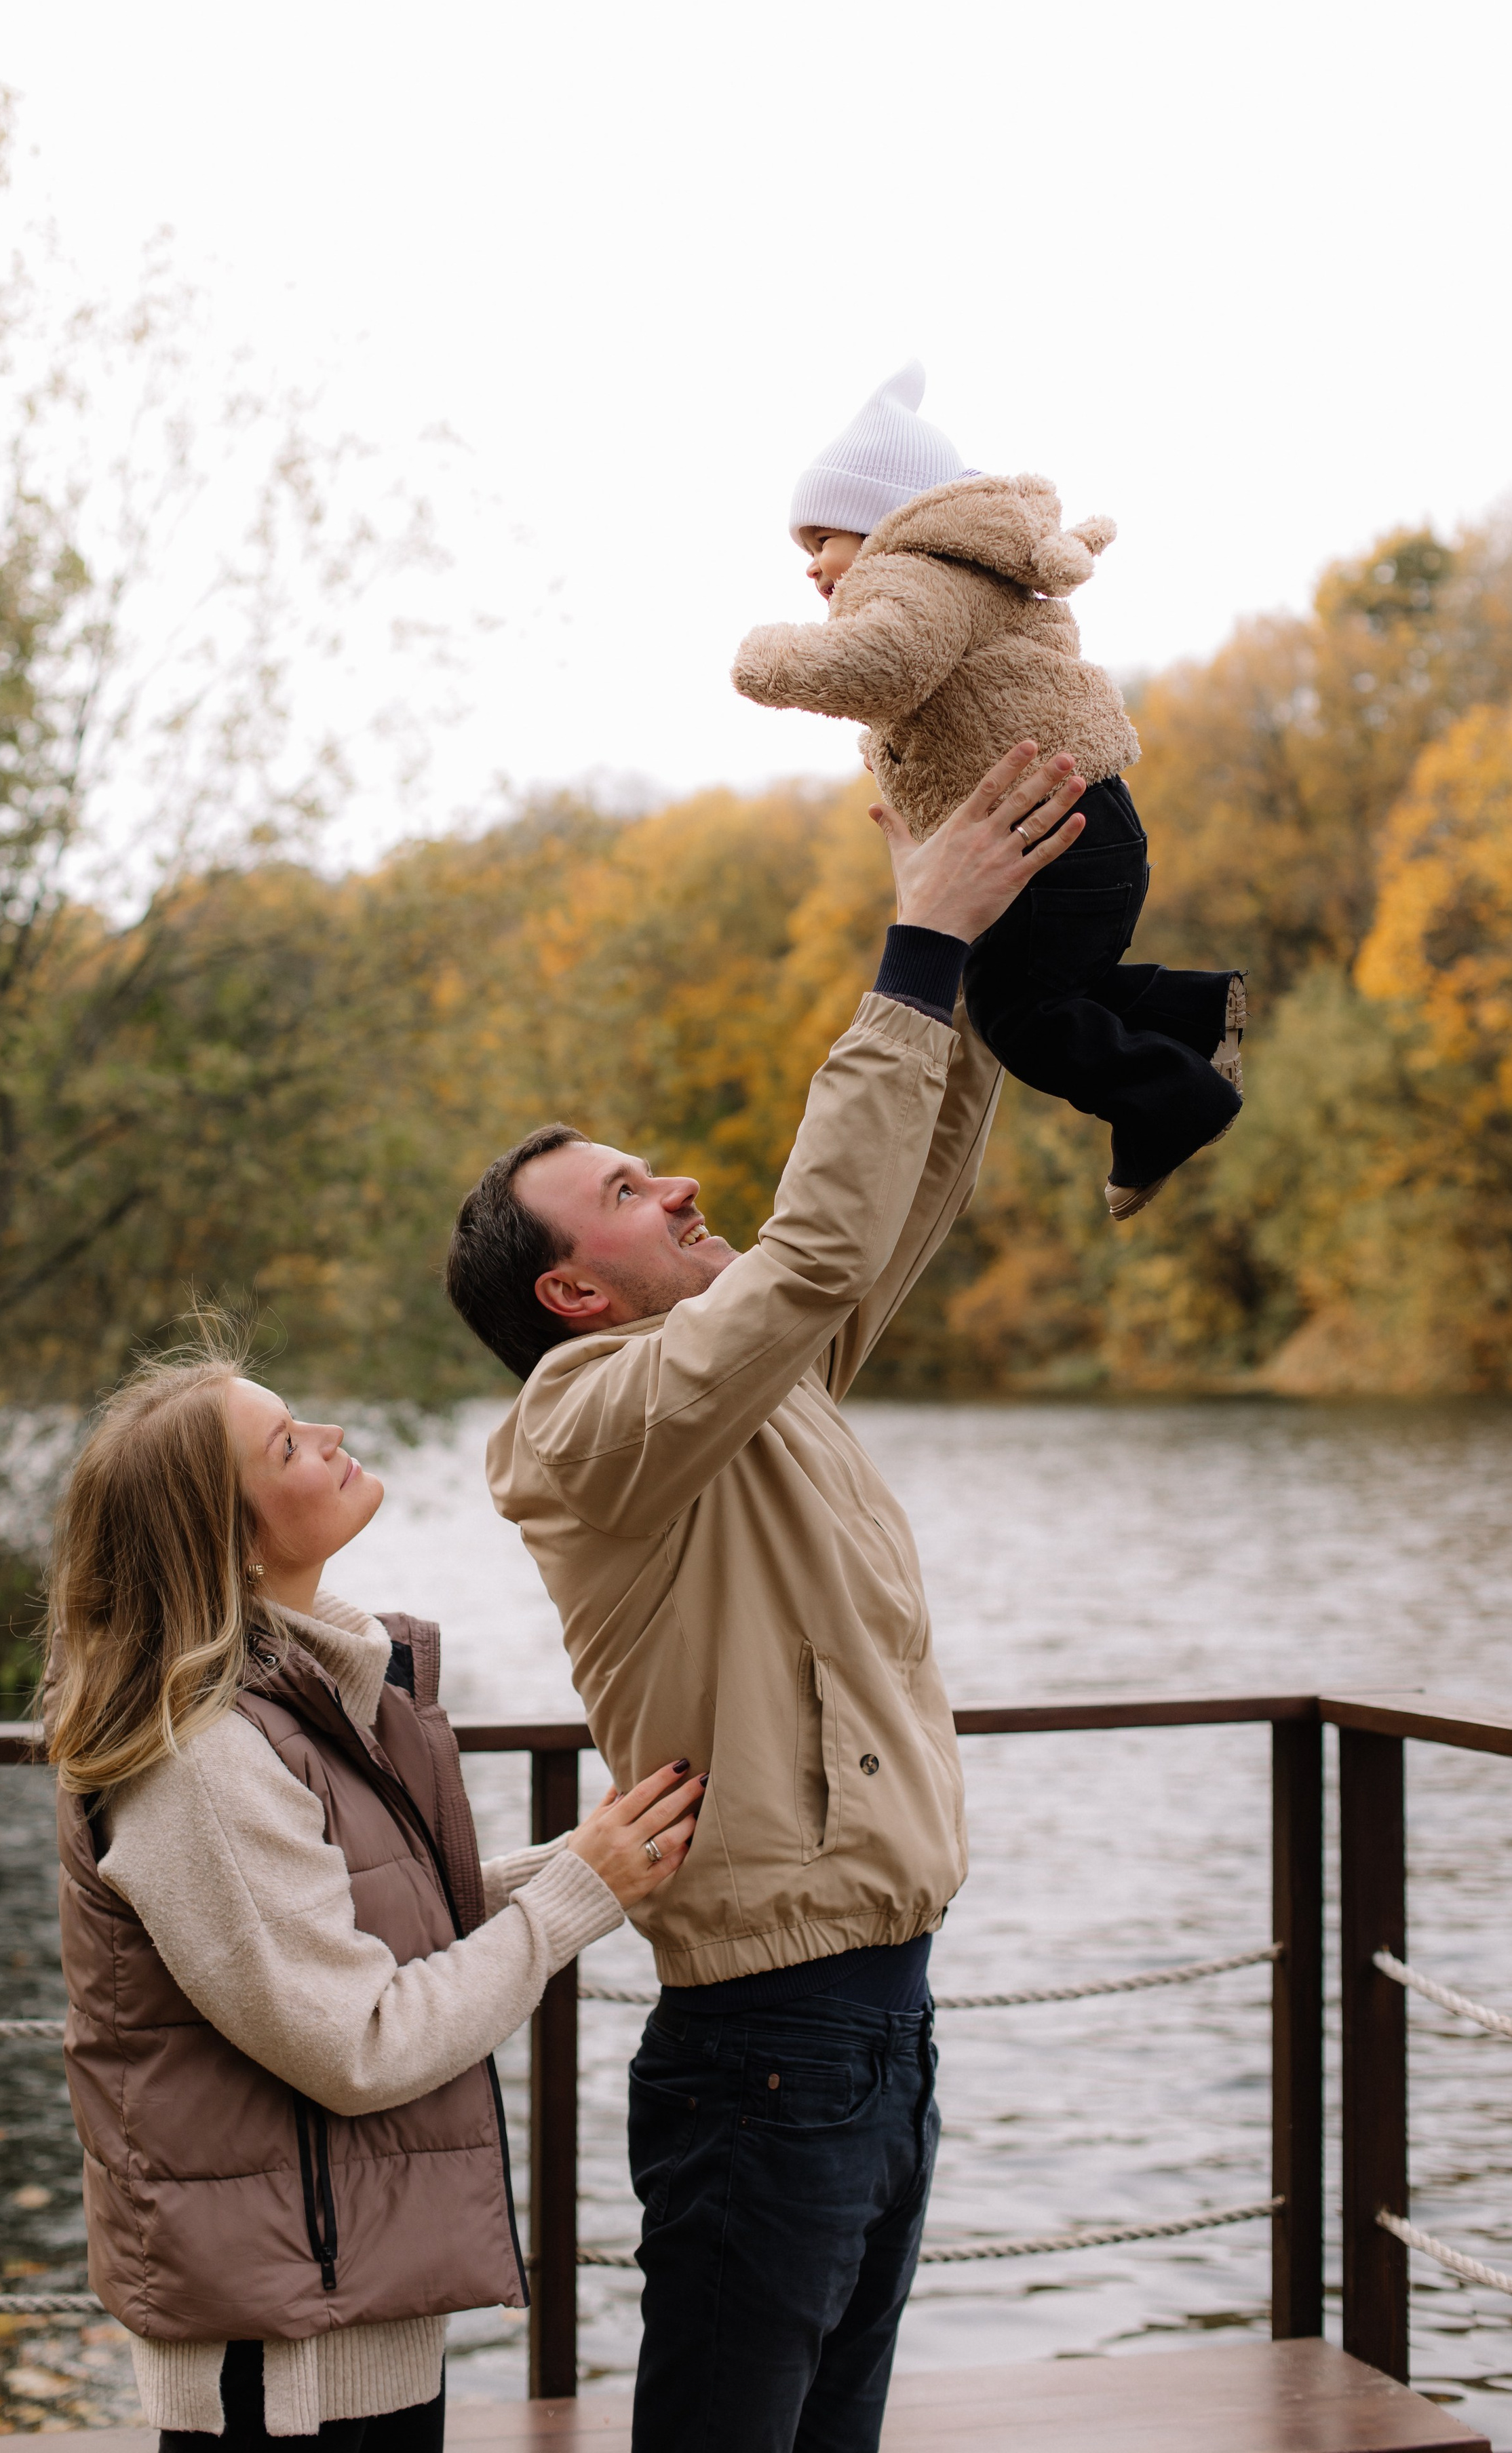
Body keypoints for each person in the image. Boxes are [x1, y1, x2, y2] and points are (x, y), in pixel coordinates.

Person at [444, 743, 1085, 2452]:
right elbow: (809, 1250)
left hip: (885, 2014)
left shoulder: (758, 1381)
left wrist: (978, 949)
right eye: (629, 1193)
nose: (677, 1184)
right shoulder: (579, 1424)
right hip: (769, 2044)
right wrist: (906, 951)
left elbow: (888, 1203)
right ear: (572, 1286)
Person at [41, 1326, 704, 2450]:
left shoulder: (295, 1700)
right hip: (284, 2349)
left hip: (342, 2301)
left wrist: (585, 1864)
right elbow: (357, 2040)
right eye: (289, 1445)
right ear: (228, 1543)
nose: (333, 1435)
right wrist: (572, 1900)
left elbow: (357, 1937)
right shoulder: (201, 1759)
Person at [731, 361, 1245, 1219]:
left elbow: (879, 666)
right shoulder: (962, 575)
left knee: (1017, 1017)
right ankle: (1199, 1012)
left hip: (1060, 834)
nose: (812, 566)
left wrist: (765, 659)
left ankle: (1174, 1101)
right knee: (1028, 995)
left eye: (822, 539)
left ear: (882, 521)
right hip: (1075, 826)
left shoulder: (912, 575)